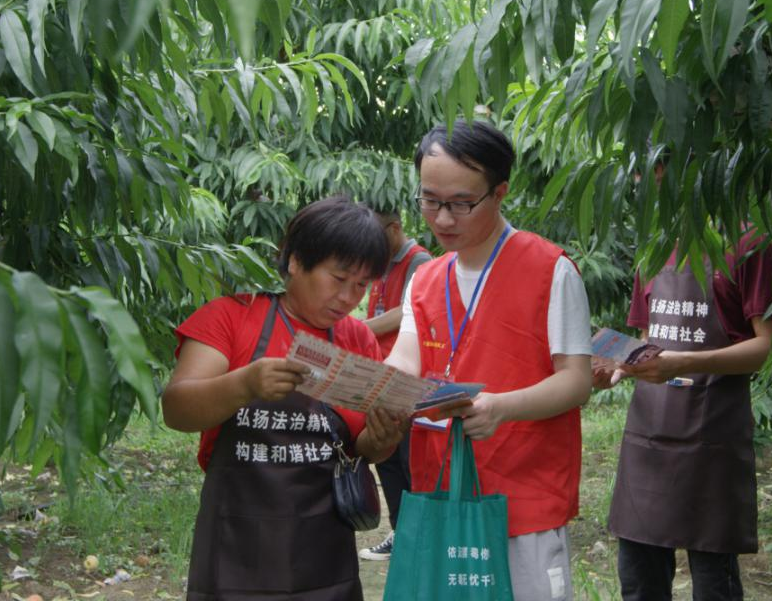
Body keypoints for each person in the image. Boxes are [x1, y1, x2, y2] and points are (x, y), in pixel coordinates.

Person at [383, 120, 593, 601]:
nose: (442, 219)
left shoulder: (550, 270)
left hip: (523, 497)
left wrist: (501, 407)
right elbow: (405, 360)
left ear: (500, 192)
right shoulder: (426, 279)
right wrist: (372, 386)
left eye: (461, 203)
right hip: (442, 491)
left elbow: (576, 380)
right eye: (430, 200)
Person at [162, 196, 406, 600]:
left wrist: (382, 440)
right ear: (294, 261)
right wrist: (244, 385)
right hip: (236, 544)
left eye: (361, 285)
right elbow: (176, 409)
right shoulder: (231, 317)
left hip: (324, 546)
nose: (348, 298)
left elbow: (360, 447)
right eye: (338, 278)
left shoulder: (357, 338)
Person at [595, 228, 772, 601]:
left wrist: (685, 362)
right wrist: (619, 367)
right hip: (649, 435)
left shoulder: (749, 243)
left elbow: (767, 347)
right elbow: (649, 340)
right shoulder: (654, 246)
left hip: (713, 435)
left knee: (714, 580)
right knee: (638, 577)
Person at [358, 209, 432, 561]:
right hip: (381, 373)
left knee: (407, 459)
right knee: (385, 457)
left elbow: (406, 313)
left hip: (408, 378)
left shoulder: (419, 262)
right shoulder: (382, 263)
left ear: (395, 228)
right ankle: (401, 532)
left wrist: (356, 330)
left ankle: (420, 535)